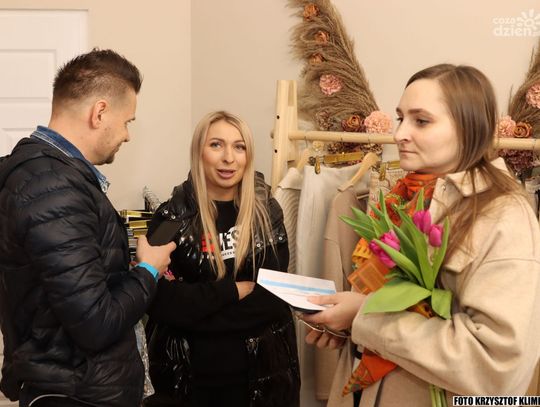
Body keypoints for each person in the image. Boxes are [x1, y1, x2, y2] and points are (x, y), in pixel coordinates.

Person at [301, 64, 540, 406]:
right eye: (401, 118)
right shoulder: (405, 199)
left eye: (422, 121)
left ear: (469, 127)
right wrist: (349, 327)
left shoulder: (503, 215)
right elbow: (397, 311)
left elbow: (496, 367)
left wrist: (364, 318)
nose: (400, 134)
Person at [0, 49, 176, 407]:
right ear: (99, 113)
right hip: (76, 393)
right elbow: (96, 323)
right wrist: (148, 271)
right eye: (127, 121)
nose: (127, 135)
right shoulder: (54, 188)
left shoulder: (49, 178)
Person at [144, 111, 300, 407]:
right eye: (216, 145)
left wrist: (195, 310)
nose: (229, 158)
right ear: (198, 152)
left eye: (239, 147)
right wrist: (231, 291)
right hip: (188, 382)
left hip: (263, 379)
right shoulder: (172, 218)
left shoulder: (267, 212)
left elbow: (272, 297)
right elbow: (158, 299)